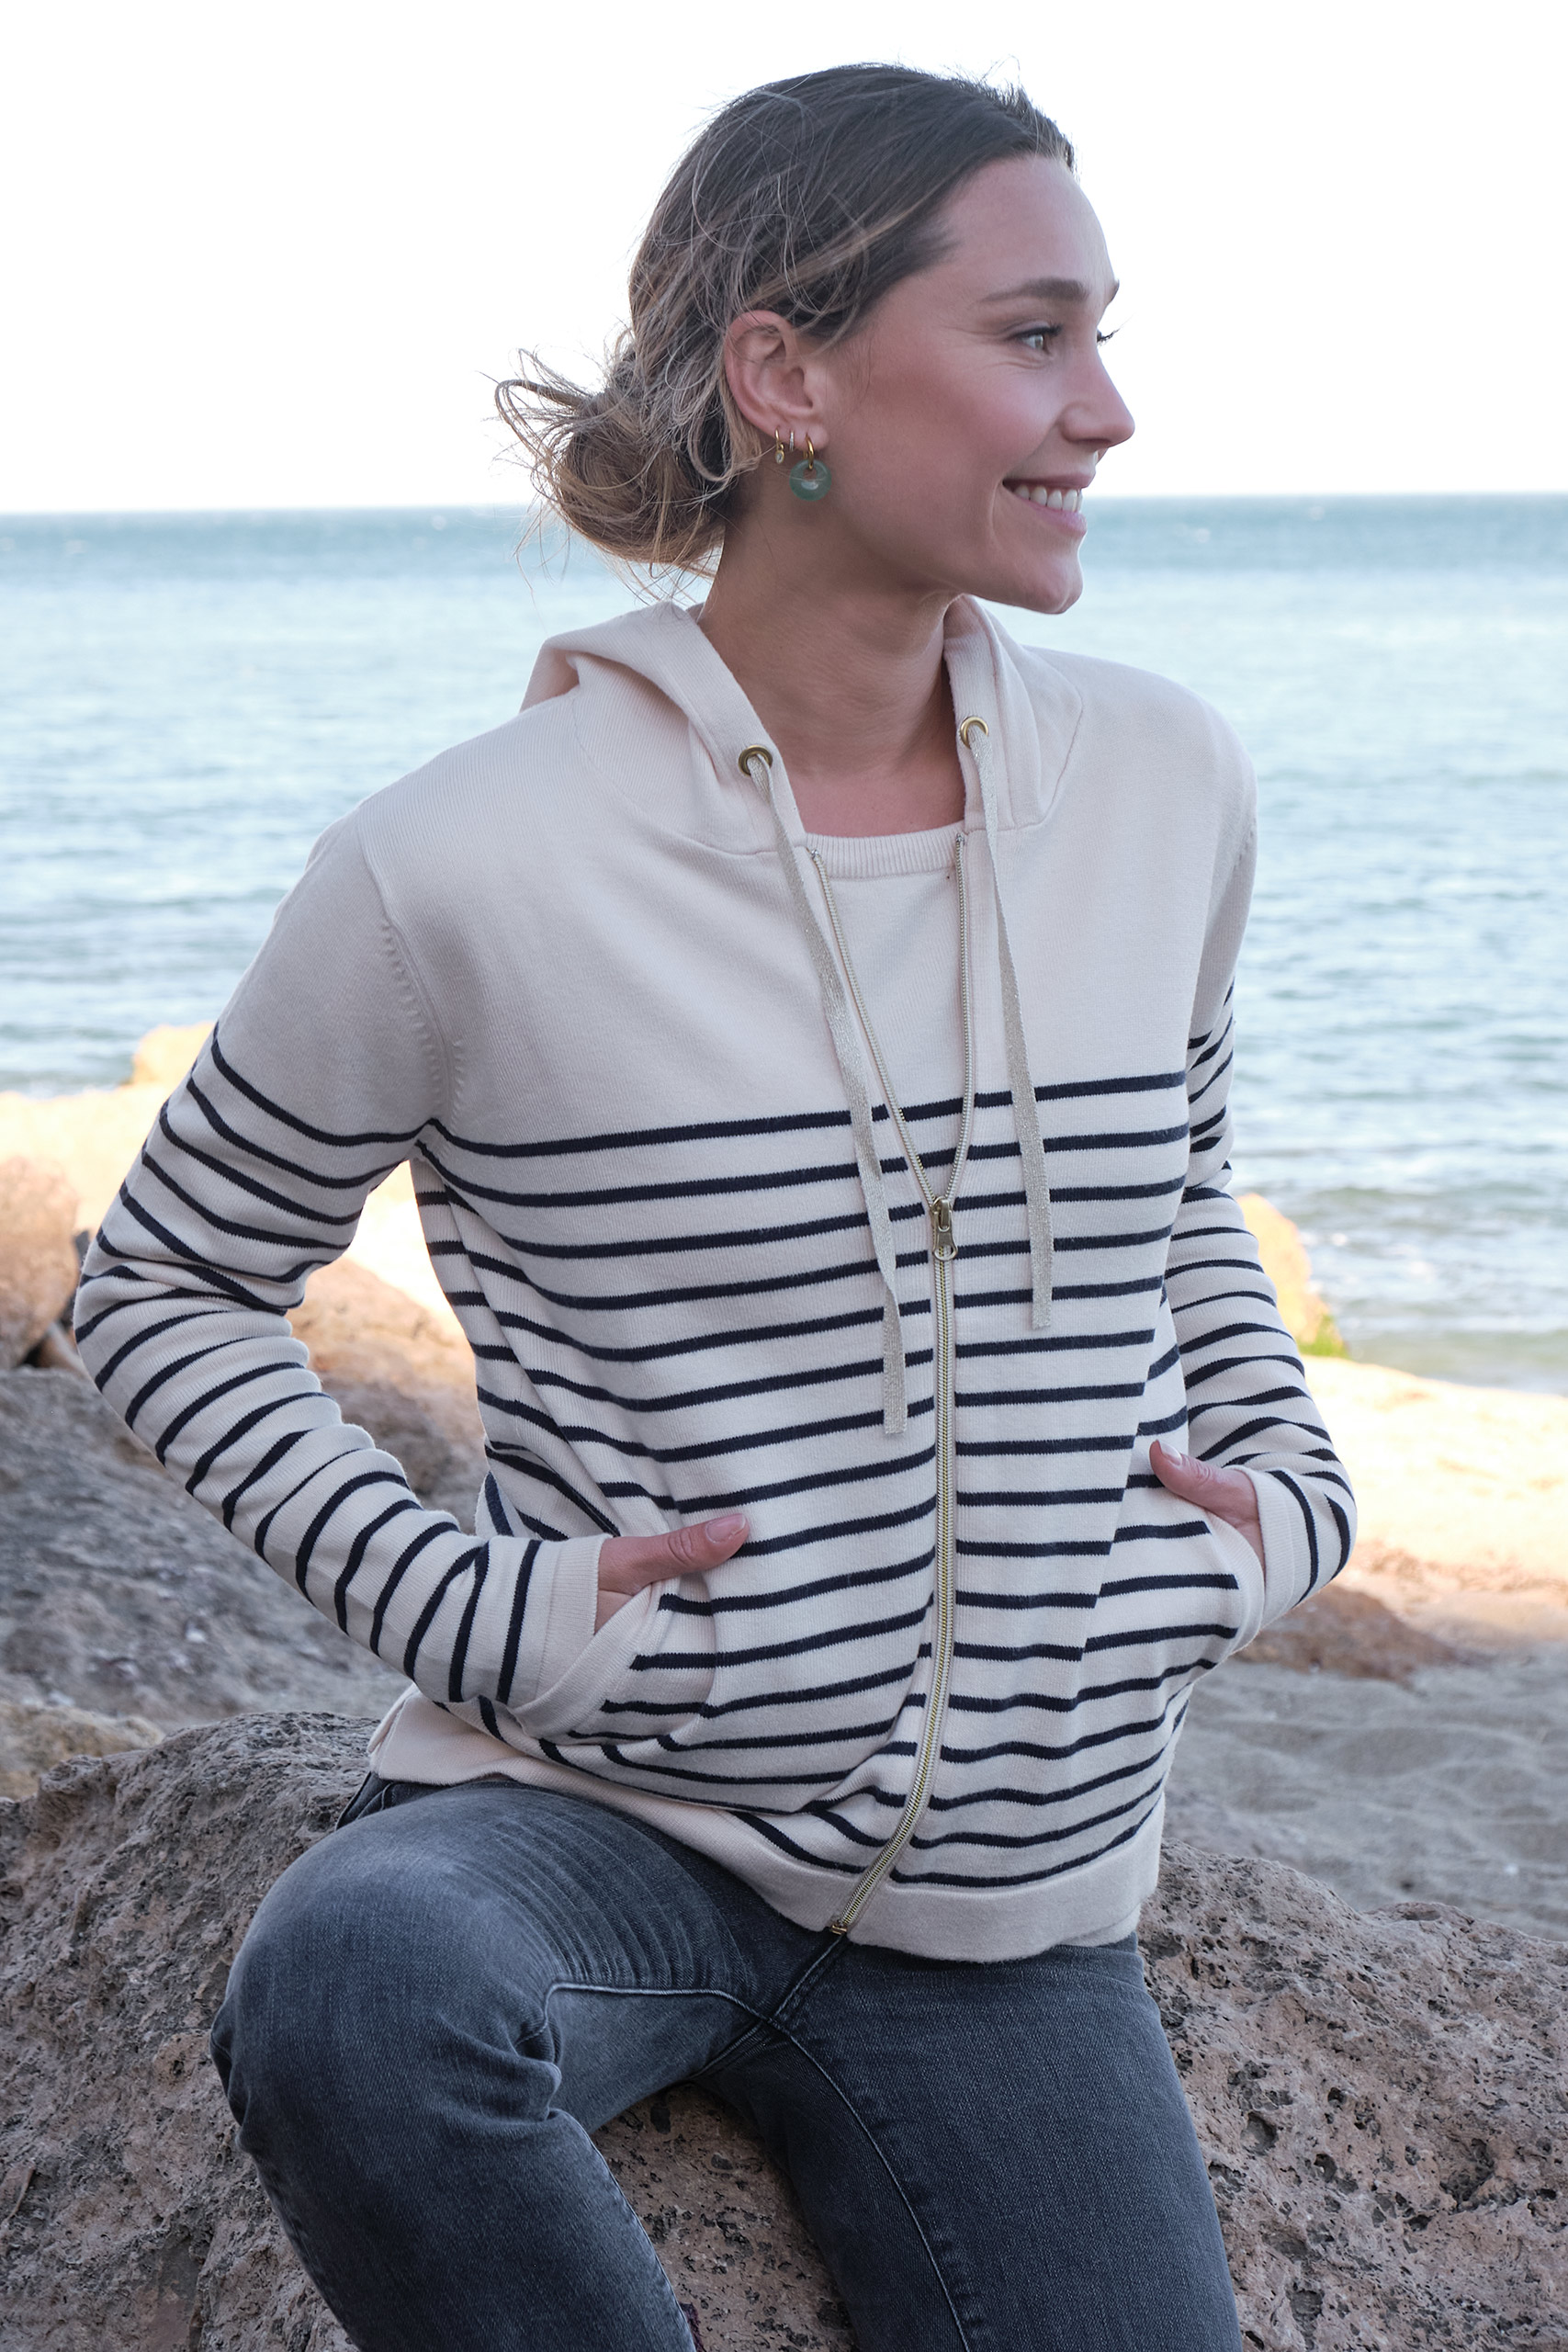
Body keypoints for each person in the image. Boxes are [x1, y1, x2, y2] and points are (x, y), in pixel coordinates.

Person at [74, 63, 1354, 2352]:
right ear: (785, 374)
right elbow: (165, 1278)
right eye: (1033, 336)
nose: (1106, 408)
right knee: (358, 1978)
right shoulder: (463, 860)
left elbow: (1175, 1194)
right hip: (597, 1830)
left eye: (1100, 335)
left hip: (1011, 1924)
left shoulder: (1164, 783)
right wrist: (469, 1605)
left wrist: (1281, 1499)